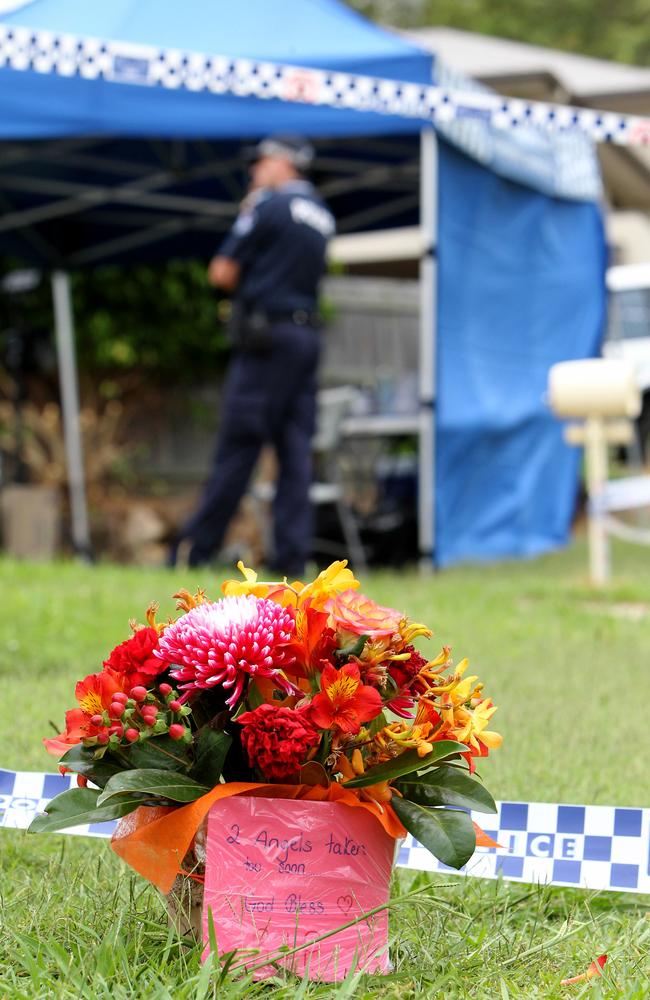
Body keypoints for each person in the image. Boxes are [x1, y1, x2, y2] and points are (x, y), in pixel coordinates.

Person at [168, 135, 335, 577]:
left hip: (267, 340)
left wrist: (248, 210)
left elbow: (221, 271)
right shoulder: (322, 216)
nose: (254, 173)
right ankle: (293, 563)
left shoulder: (267, 206)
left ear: (283, 164)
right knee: (294, 453)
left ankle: (194, 551)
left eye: (260, 164)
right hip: (306, 339)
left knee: (238, 446)